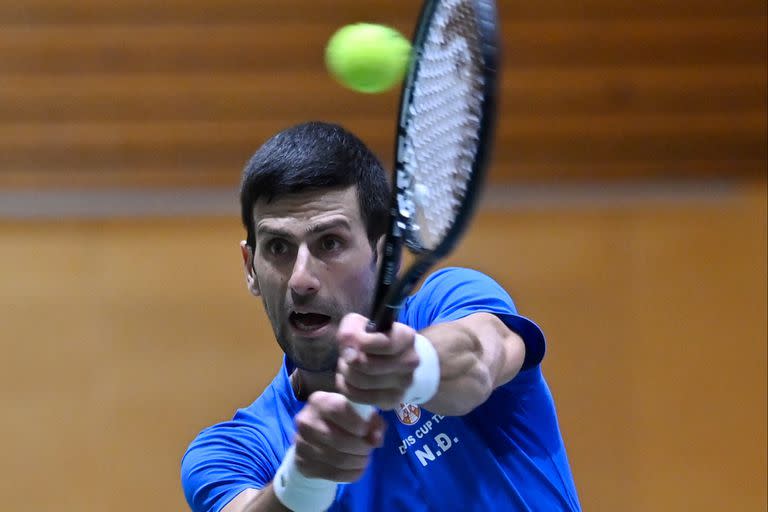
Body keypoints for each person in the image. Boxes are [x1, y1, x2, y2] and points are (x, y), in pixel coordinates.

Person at [181, 121, 581, 512]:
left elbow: (481, 355)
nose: (301, 279)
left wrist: (415, 365)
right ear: (250, 267)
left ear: (382, 251)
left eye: (330, 242)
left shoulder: (449, 300)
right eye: (278, 248)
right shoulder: (234, 452)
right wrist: (303, 479)